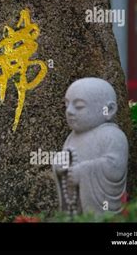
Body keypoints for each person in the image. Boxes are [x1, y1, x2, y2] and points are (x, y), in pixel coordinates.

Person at [53, 78, 128, 215]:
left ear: (108, 110)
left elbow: (115, 168)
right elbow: (67, 163)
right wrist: (60, 166)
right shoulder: (71, 137)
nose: (69, 111)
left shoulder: (112, 135)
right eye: (67, 105)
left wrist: (83, 172)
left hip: (101, 208)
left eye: (79, 106)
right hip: (77, 206)